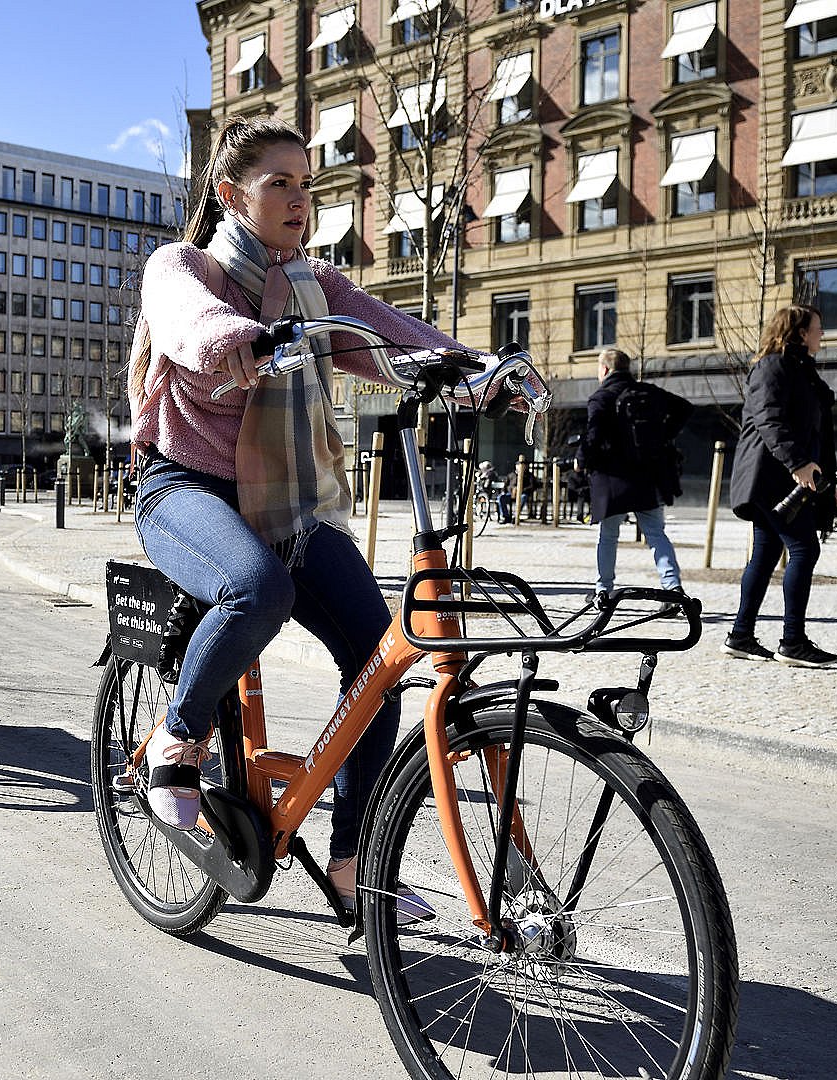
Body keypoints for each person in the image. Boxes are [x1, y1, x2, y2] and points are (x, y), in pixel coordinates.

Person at [128, 116, 519, 920]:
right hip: (183, 488)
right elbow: (185, 320)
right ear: (233, 194)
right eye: (280, 182)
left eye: (307, 183)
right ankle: (177, 743)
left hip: (285, 501)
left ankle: (351, 863)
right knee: (256, 590)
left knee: (380, 661)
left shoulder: (316, 288)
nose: (300, 198)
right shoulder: (184, 265)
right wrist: (235, 339)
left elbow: (392, 334)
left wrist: (480, 374)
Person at [723, 303, 837, 668]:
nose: (823, 334)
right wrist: (798, 463)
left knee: (766, 553)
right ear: (800, 332)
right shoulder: (772, 366)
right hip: (771, 476)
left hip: (787, 478)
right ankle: (792, 641)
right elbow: (769, 419)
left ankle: (740, 636)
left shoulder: (801, 371)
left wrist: (827, 479)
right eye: (818, 328)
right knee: (804, 549)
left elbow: (818, 432)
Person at [579, 347, 693, 600]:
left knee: (608, 536)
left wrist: (581, 459)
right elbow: (685, 408)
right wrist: (662, 436)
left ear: (605, 369)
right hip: (649, 477)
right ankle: (673, 588)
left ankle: (603, 591)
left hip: (613, 480)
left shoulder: (601, 397)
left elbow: (593, 434)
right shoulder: (648, 392)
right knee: (656, 533)